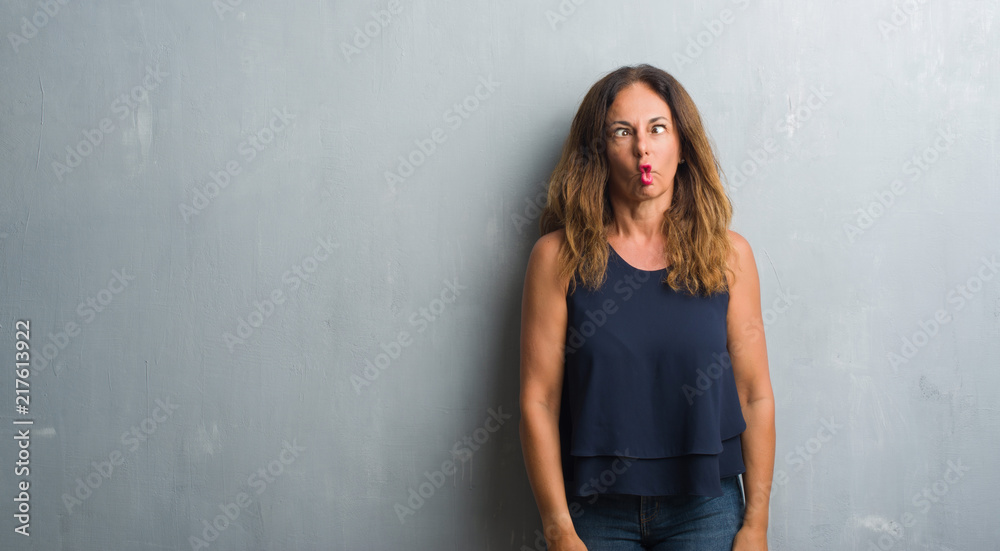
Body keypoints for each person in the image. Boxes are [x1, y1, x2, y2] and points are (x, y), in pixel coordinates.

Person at [518, 64, 775, 551]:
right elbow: (538, 401)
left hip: (708, 507)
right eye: (622, 132)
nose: (643, 147)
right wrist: (557, 528)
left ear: (682, 146)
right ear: (598, 153)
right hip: (594, 513)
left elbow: (755, 394)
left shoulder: (728, 255)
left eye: (658, 128)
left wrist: (756, 524)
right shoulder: (556, 258)